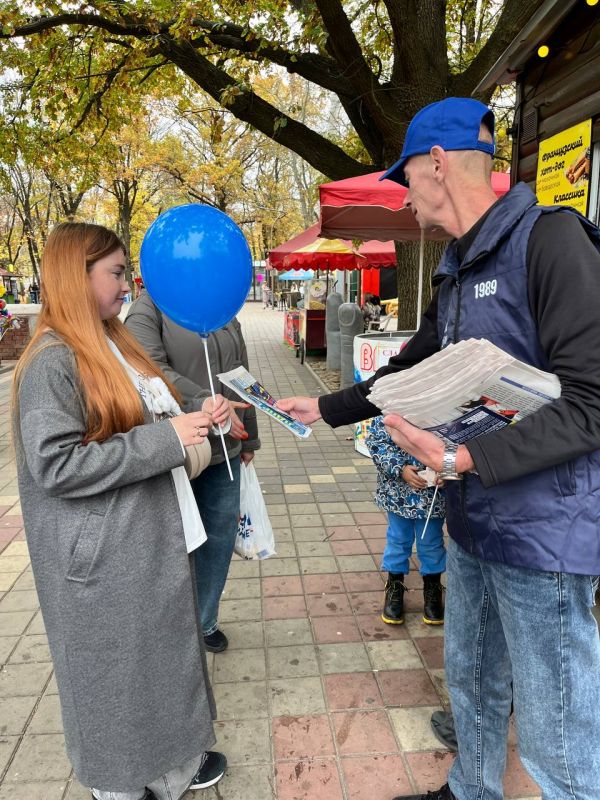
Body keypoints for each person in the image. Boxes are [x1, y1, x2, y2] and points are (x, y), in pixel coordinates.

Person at [277, 97, 600, 800]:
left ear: (437, 163)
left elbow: (592, 404)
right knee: (472, 680)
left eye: (406, 179)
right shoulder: (454, 266)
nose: (404, 197)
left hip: (543, 535)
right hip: (472, 520)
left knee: (557, 733)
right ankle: (469, 790)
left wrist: (462, 460)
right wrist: (325, 407)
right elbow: (409, 369)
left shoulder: (551, 241)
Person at [12, 222, 228, 799]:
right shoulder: (52, 361)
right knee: (117, 683)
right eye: (115, 272)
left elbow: (146, 408)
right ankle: (122, 785)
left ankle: (169, 769)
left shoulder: (111, 339)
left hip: (144, 539)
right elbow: (55, 464)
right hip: (105, 559)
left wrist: (197, 409)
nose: (127, 284)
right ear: (75, 275)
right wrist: (167, 439)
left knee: (156, 669)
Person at [124, 290, 260, 653]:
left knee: (218, 541)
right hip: (175, 451)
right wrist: (202, 401)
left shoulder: (221, 302)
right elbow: (147, 369)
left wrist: (249, 439)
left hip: (225, 450)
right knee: (173, 545)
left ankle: (205, 619)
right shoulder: (149, 307)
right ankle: (171, 627)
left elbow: (242, 374)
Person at [366, 416, 445, 626]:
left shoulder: (442, 411)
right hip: (398, 494)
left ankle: (433, 587)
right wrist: (400, 468)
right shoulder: (390, 410)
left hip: (432, 497)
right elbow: (376, 442)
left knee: (431, 542)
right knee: (398, 539)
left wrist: (447, 470)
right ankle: (394, 585)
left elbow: (457, 445)